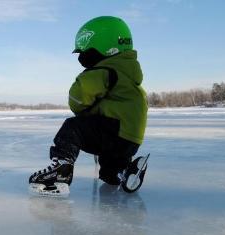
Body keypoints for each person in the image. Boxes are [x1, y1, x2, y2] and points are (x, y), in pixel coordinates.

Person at [29, 16, 148, 196]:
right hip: (131, 139)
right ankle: (124, 172)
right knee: (110, 168)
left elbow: (77, 98)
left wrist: (85, 110)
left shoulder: (105, 70)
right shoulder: (129, 76)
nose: (81, 57)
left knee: (73, 128)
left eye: (84, 52)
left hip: (112, 131)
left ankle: (60, 171)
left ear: (105, 47)